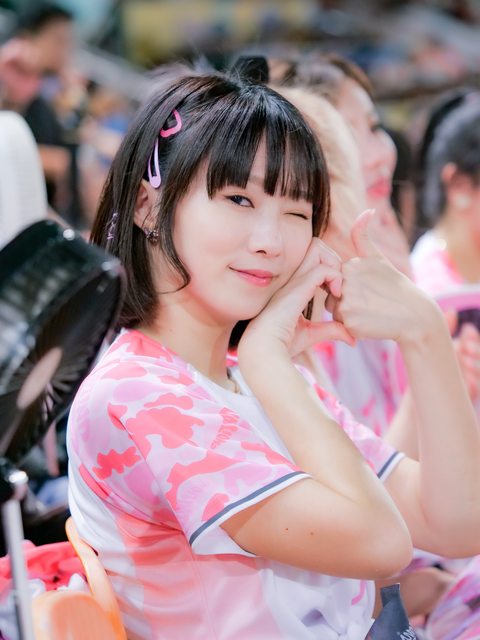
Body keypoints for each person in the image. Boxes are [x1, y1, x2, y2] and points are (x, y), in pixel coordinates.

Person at [67, 67, 480, 640]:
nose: (270, 241)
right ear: (146, 206)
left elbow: (456, 523)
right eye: (239, 198)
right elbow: (383, 545)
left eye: (296, 212)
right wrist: (268, 360)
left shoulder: (248, 377)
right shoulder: (137, 394)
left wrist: (425, 333)